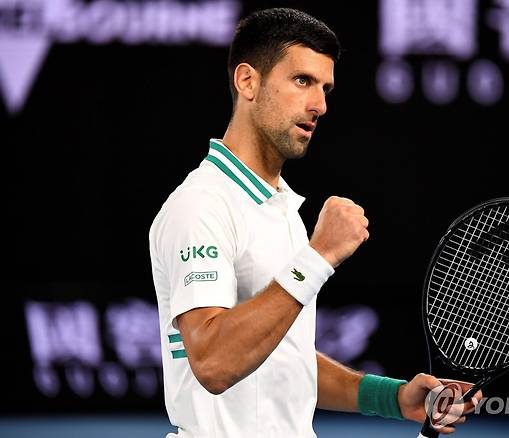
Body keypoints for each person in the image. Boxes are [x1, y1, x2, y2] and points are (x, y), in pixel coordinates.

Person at [149, 8, 482, 437]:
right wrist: (319, 254)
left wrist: (393, 398)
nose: (320, 105)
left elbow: (283, 360)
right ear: (248, 81)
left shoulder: (279, 206)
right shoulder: (201, 205)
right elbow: (214, 364)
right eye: (302, 81)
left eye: (325, 88)